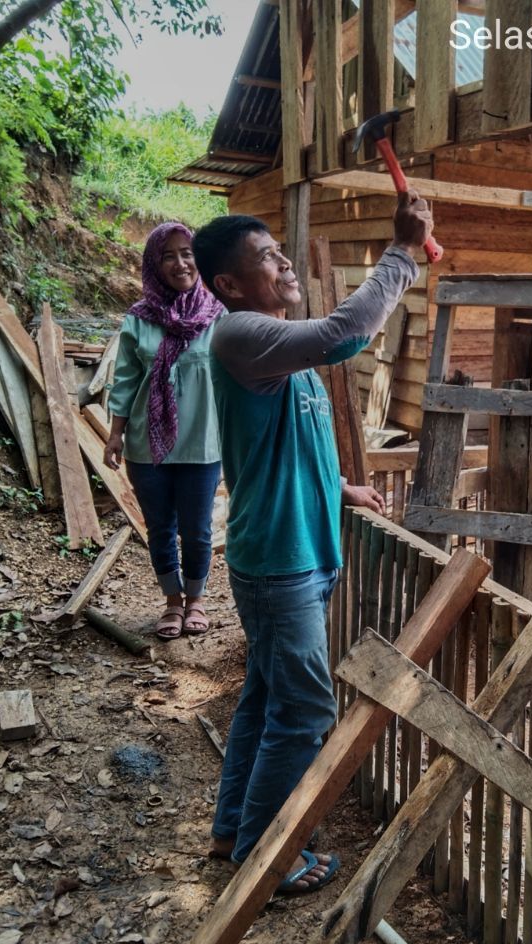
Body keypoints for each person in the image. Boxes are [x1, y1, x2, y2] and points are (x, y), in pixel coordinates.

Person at [191, 191, 433, 892]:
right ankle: (267, 861)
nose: (284, 262)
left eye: (279, 251)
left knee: (267, 699)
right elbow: (347, 334)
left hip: (298, 551)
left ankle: (235, 828)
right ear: (229, 285)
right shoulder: (240, 334)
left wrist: (340, 488)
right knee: (303, 712)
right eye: (266, 257)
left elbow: (293, 441)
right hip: (279, 564)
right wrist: (402, 251)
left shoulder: (272, 347)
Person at [105, 222, 224, 640]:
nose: (181, 263)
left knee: (197, 529)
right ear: (155, 264)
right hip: (145, 445)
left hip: (202, 444)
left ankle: (196, 599)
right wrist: (115, 434)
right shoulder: (139, 320)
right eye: (169, 255)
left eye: (187, 253)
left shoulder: (217, 314)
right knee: (160, 528)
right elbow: (123, 381)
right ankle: (172, 603)